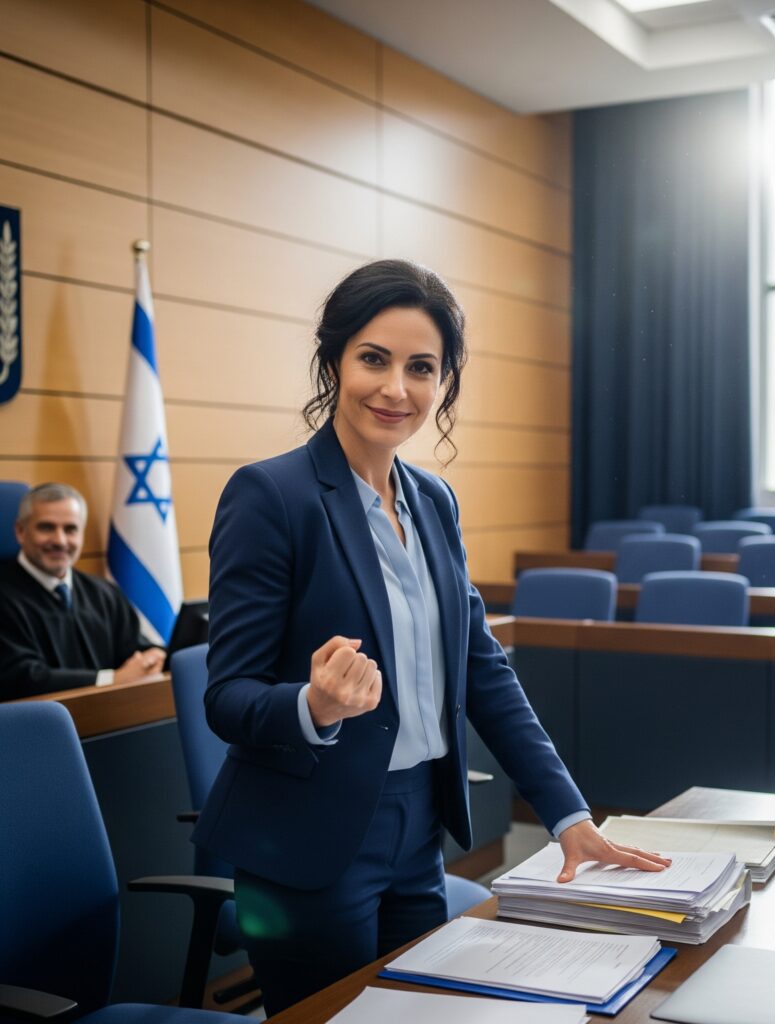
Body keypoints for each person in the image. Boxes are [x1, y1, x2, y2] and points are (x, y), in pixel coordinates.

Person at [192, 259, 670, 1013]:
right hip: (307, 844)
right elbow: (226, 697)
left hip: (419, 830)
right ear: (333, 360)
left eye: (423, 368)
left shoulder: (434, 501)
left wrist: (569, 816)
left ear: (444, 381)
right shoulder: (271, 496)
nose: (397, 389)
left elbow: (484, 673)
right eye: (373, 359)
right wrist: (312, 706)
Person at [0, 482, 165, 699]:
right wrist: (111, 680)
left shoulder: (104, 592)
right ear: (21, 532)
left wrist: (153, 657)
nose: (60, 541)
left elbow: (135, 648)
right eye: (47, 527)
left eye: (70, 529)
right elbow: (22, 678)